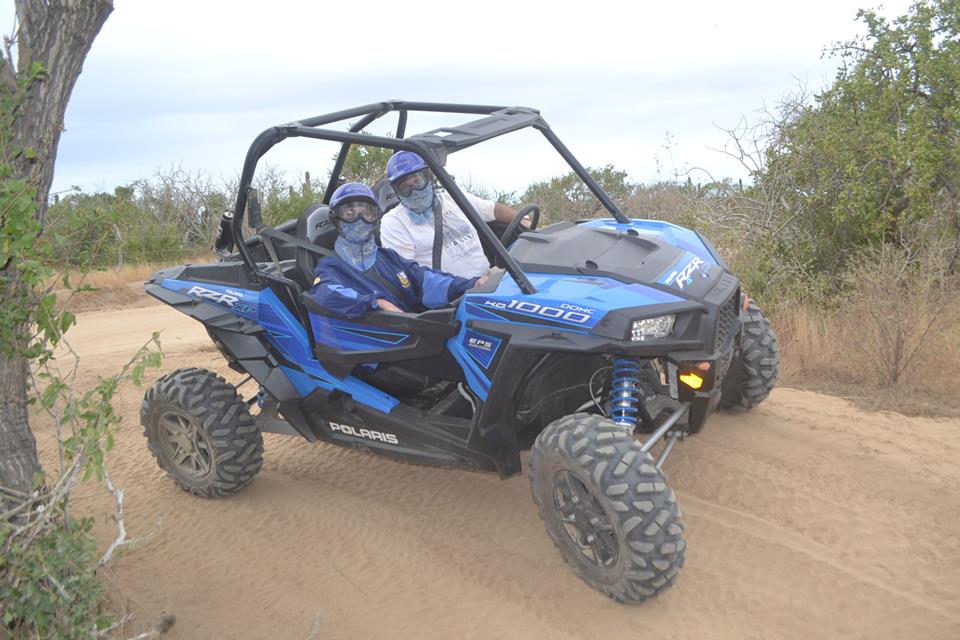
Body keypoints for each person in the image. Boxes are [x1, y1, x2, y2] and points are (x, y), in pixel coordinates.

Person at [309, 182, 485, 319]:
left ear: (375, 216)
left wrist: (471, 285)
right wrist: (375, 302)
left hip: (413, 335)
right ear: (336, 219)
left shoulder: (388, 257)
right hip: (376, 352)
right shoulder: (331, 267)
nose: (359, 219)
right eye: (350, 213)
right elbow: (325, 293)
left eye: (367, 212)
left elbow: (424, 280)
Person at [379, 151, 522, 279]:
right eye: (405, 187)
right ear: (396, 191)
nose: (414, 191)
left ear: (428, 177)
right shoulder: (393, 222)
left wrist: (524, 220)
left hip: (488, 280)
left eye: (417, 181)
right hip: (452, 299)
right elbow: (409, 275)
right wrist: (467, 286)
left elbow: (492, 209)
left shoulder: (452, 198)